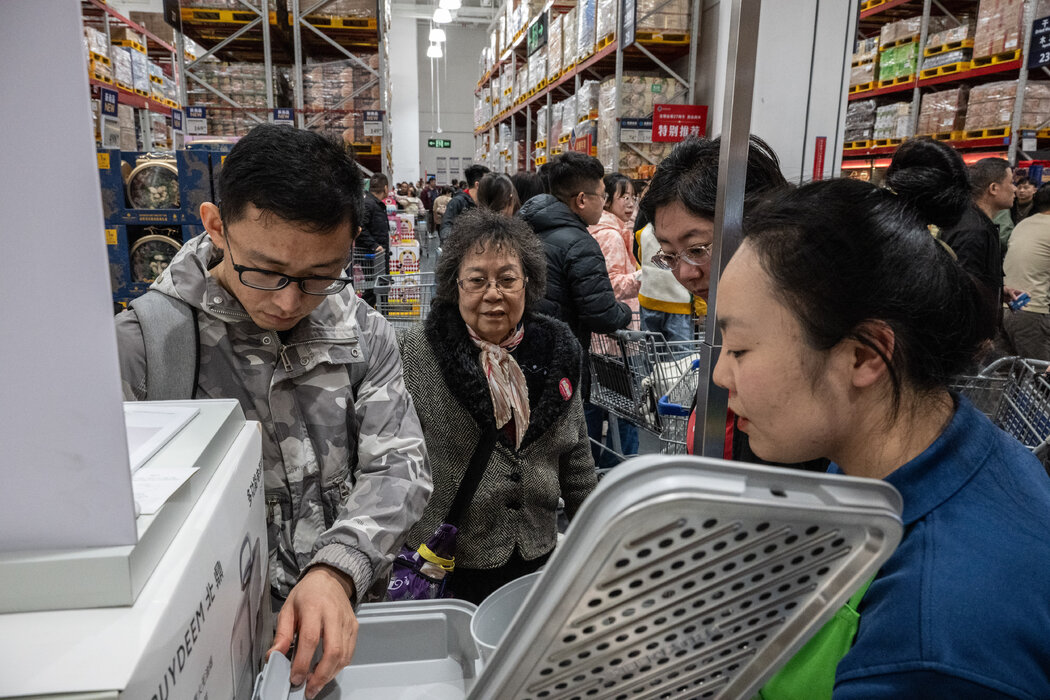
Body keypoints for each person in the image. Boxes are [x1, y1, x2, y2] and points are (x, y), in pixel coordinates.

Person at [114, 125, 431, 699]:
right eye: (264, 270)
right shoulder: (146, 348)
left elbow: (400, 465)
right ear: (215, 226)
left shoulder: (362, 332)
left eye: (318, 276)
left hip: (342, 642)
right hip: (207, 661)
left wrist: (338, 568)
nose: (288, 301)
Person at [712, 175, 1050, 698]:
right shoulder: (924, 452)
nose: (720, 376)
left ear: (865, 356)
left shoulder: (932, 644)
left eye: (738, 350)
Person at [398, 208, 597, 604]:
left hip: (537, 558)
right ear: (455, 285)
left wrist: (598, 542)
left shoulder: (558, 350)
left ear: (528, 283)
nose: (493, 293)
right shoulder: (418, 353)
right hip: (449, 565)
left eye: (507, 279)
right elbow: (390, 463)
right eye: (477, 280)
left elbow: (577, 459)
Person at [518, 151, 632, 392]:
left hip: (522, 350)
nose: (604, 203)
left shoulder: (525, 228)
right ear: (581, 200)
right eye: (602, 196)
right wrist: (625, 311)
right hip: (560, 359)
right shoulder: (580, 244)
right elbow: (602, 315)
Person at [586, 171, 642, 463]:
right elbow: (612, 285)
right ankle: (625, 470)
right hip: (617, 336)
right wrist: (644, 276)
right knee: (626, 409)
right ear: (607, 201)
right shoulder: (611, 236)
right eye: (624, 196)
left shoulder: (611, 231)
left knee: (600, 404)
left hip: (604, 336)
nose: (630, 202)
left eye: (633, 196)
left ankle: (593, 467)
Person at [1002, 183, 1050, 360]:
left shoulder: (1023, 225)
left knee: (1007, 377)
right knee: (1041, 379)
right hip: (1032, 311)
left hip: (1006, 307)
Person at [440, 165, 490, 242]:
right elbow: (445, 230)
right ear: (477, 185)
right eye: (488, 183)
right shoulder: (457, 202)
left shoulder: (485, 204)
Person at [359, 173, 391, 255]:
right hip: (371, 256)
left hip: (378, 255)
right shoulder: (369, 204)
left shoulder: (374, 203)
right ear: (385, 188)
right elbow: (360, 227)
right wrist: (374, 245)